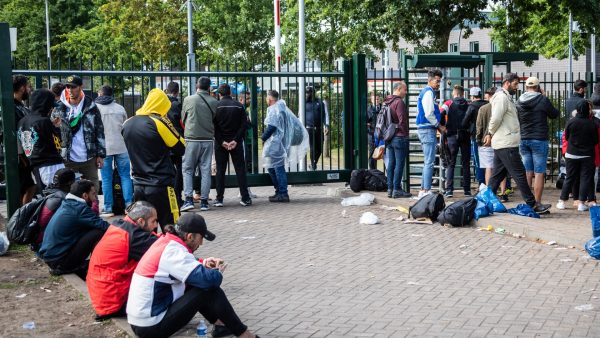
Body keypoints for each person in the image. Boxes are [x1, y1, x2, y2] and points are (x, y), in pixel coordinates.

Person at [126, 213, 259, 338]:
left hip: (142, 321)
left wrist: (204, 263)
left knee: (196, 283)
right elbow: (209, 281)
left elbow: (183, 264)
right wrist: (217, 271)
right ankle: (244, 335)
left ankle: (221, 325)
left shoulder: (166, 242)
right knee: (208, 289)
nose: (201, 244)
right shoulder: (173, 252)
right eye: (200, 239)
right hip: (150, 327)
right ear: (190, 236)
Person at [483, 73, 551, 213]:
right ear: (507, 83)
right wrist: (489, 133)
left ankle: (484, 201)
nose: (516, 87)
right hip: (506, 143)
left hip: (504, 142)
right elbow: (496, 118)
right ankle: (533, 204)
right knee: (519, 174)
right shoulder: (502, 97)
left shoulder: (505, 97)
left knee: (496, 176)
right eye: (515, 84)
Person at [122, 88, 185, 232]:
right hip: (161, 184)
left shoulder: (128, 122)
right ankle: (173, 253)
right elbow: (181, 147)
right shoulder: (159, 122)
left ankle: (146, 253)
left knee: (144, 227)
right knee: (171, 225)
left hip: (138, 184)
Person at [87, 201, 159, 321]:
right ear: (141, 221)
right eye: (154, 221)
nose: (156, 225)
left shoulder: (119, 225)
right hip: (114, 302)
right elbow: (167, 251)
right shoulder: (134, 238)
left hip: (103, 298)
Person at [39, 179, 109, 278]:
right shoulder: (80, 209)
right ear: (85, 195)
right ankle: (96, 264)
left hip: (52, 257)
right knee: (99, 231)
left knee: (92, 229)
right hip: (60, 262)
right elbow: (105, 226)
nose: (95, 198)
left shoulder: (68, 203)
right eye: (93, 194)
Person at [54, 75, 106, 196]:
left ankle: (92, 214)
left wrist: (100, 155)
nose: (70, 90)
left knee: (93, 190)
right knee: (69, 192)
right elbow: (54, 132)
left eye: (73, 87)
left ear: (81, 87)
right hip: (68, 158)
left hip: (89, 157)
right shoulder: (59, 107)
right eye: (68, 87)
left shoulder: (91, 106)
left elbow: (99, 130)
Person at [516, 77, 559, 205]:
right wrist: (544, 96)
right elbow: (554, 114)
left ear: (526, 87)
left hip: (523, 139)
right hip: (539, 139)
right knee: (539, 172)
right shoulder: (542, 99)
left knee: (528, 171)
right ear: (538, 87)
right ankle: (538, 202)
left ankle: (528, 202)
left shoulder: (519, 101)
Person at [210, 84, 252, 207]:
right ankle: (245, 197)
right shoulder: (239, 106)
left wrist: (222, 141)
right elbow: (243, 125)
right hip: (236, 143)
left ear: (220, 94)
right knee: (240, 170)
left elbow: (214, 127)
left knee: (220, 171)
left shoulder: (216, 106)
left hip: (220, 143)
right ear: (230, 93)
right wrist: (235, 140)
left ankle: (219, 199)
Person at [96, 85, 133, 217]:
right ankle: (129, 204)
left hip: (104, 147)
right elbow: (125, 127)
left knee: (106, 178)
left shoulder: (96, 108)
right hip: (121, 146)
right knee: (125, 176)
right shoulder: (120, 108)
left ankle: (108, 207)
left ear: (100, 94)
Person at [181, 77, 218, 211]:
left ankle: (189, 199)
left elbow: (183, 118)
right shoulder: (214, 102)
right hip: (208, 139)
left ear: (197, 85)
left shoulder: (188, 99)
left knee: (188, 169)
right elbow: (215, 119)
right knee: (206, 171)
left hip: (191, 139)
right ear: (209, 87)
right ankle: (204, 202)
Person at [17, 89, 64, 190]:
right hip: (51, 165)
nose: (51, 108)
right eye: (50, 105)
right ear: (45, 104)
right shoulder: (44, 121)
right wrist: (56, 128)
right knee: (57, 196)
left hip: (35, 166)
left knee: (46, 197)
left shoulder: (22, 121)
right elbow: (58, 144)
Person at [557, 100, 599, 211]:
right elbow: (595, 140)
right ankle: (581, 203)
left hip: (571, 154)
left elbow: (566, 137)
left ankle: (562, 201)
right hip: (587, 155)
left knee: (569, 177)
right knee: (585, 178)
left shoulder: (571, 122)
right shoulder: (592, 123)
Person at [416, 69, 445, 198]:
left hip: (425, 129)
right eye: (437, 81)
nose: (439, 84)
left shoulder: (427, 92)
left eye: (439, 81)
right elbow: (429, 113)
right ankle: (426, 190)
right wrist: (439, 126)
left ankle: (423, 189)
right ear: (430, 79)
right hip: (427, 129)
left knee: (427, 161)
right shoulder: (428, 92)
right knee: (429, 161)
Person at [33, 168, 76, 252]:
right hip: (46, 247)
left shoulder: (49, 192)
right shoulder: (63, 200)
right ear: (70, 183)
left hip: (39, 243)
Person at [475, 87, 507, 199]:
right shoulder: (502, 107)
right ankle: (503, 193)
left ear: (489, 95)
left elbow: (479, 126)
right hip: (500, 140)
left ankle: (489, 193)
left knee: (488, 167)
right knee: (501, 166)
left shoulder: (483, 109)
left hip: (485, 141)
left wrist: (478, 139)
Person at [440, 85, 471, 197]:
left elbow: (440, 112)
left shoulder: (448, 103)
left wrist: (443, 125)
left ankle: (449, 190)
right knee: (466, 163)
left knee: (451, 163)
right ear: (462, 94)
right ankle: (467, 190)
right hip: (465, 135)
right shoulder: (468, 104)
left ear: (454, 93)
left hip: (452, 135)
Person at [262, 90, 291, 202]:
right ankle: (279, 191)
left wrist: (263, 137)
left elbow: (272, 126)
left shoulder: (275, 109)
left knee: (278, 168)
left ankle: (283, 193)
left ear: (270, 99)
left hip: (276, 143)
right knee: (272, 167)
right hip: (279, 142)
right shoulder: (282, 108)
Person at [384, 82, 411, 198]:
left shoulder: (387, 101)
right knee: (400, 164)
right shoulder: (399, 102)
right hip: (399, 136)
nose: (406, 92)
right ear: (399, 89)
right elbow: (402, 121)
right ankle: (397, 189)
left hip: (389, 137)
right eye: (405, 90)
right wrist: (406, 134)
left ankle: (390, 188)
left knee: (391, 163)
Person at [13, 74, 37, 205]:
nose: (29, 89)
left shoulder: (19, 106)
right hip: (20, 155)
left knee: (27, 187)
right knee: (28, 186)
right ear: (22, 88)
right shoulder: (13, 107)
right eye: (27, 86)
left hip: (24, 154)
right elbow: (16, 132)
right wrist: (21, 154)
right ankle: (22, 217)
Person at [462, 87, 488, 186]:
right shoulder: (488, 104)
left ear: (472, 96)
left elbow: (464, 122)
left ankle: (481, 184)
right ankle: (490, 183)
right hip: (489, 136)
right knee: (489, 162)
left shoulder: (472, 106)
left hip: (476, 136)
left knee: (478, 161)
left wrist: (468, 129)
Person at [165, 82, 184, 207]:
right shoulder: (177, 105)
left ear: (166, 90)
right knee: (179, 170)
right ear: (177, 92)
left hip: (163, 142)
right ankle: (177, 196)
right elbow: (182, 122)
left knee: (166, 170)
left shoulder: (161, 104)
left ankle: (167, 197)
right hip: (177, 141)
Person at [305, 86, 330, 170]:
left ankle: (313, 163)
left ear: (313, 93)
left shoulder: (319, 102)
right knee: (312, 147)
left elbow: (325, 114)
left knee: (319, 149)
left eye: (309, 92)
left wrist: (326, 125)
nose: (307, 94)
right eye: (306, 92)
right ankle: (313, 165)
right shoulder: (304, 103)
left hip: (319, 128)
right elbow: (300, 115)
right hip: (309, 128)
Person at [367, 93, 381, 170]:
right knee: (372, 153)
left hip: (383, 135)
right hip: (372, 134)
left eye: (378, 99)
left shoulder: (383, 107)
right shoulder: (368, 109)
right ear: (371, 100)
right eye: (374, 99)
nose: (376, 100)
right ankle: (373, 172)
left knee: (385, 154)